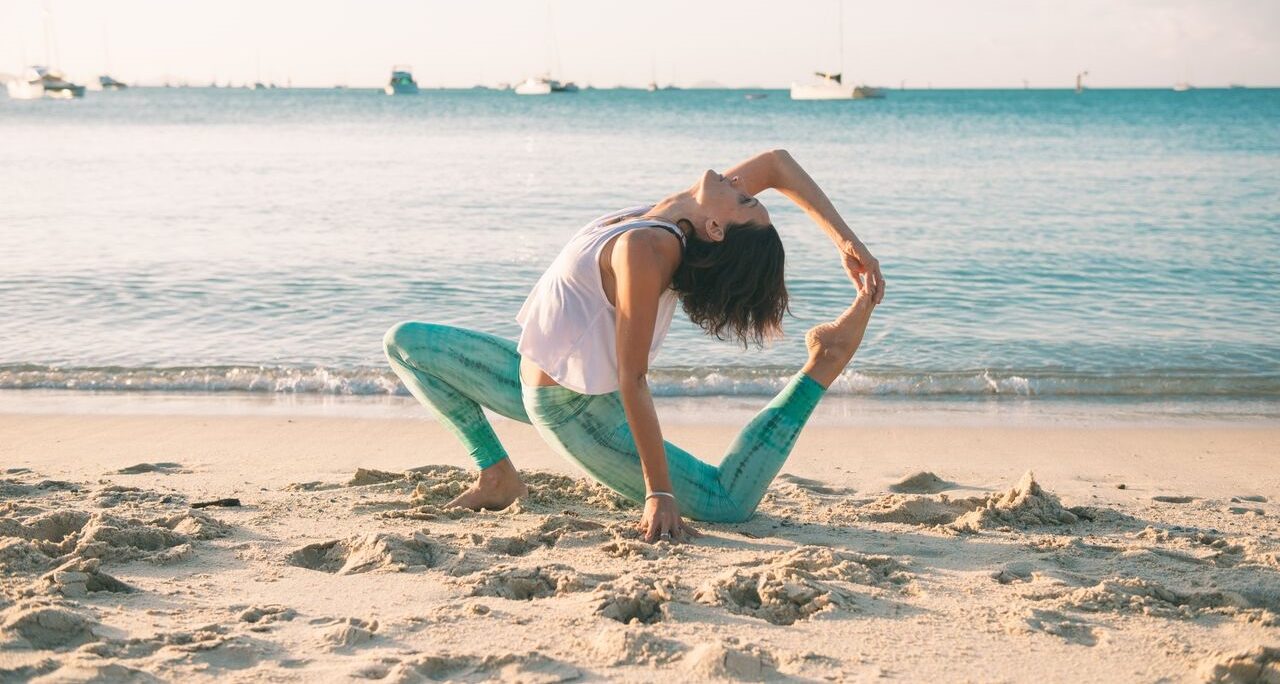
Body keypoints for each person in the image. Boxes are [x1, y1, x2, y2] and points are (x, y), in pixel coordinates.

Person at [384, 149, 883, 544]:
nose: (740, 184)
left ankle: (824, 361)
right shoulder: (674, 213)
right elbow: (777, 163)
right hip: (529, 373)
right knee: (406, 343)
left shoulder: (650, 248)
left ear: (716, 228)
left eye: (745, 200)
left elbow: (633, 377)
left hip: (572, 411)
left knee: (728, 503)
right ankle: (497, 476)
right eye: (748, 195)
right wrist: (846, 241)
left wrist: (659, 492)